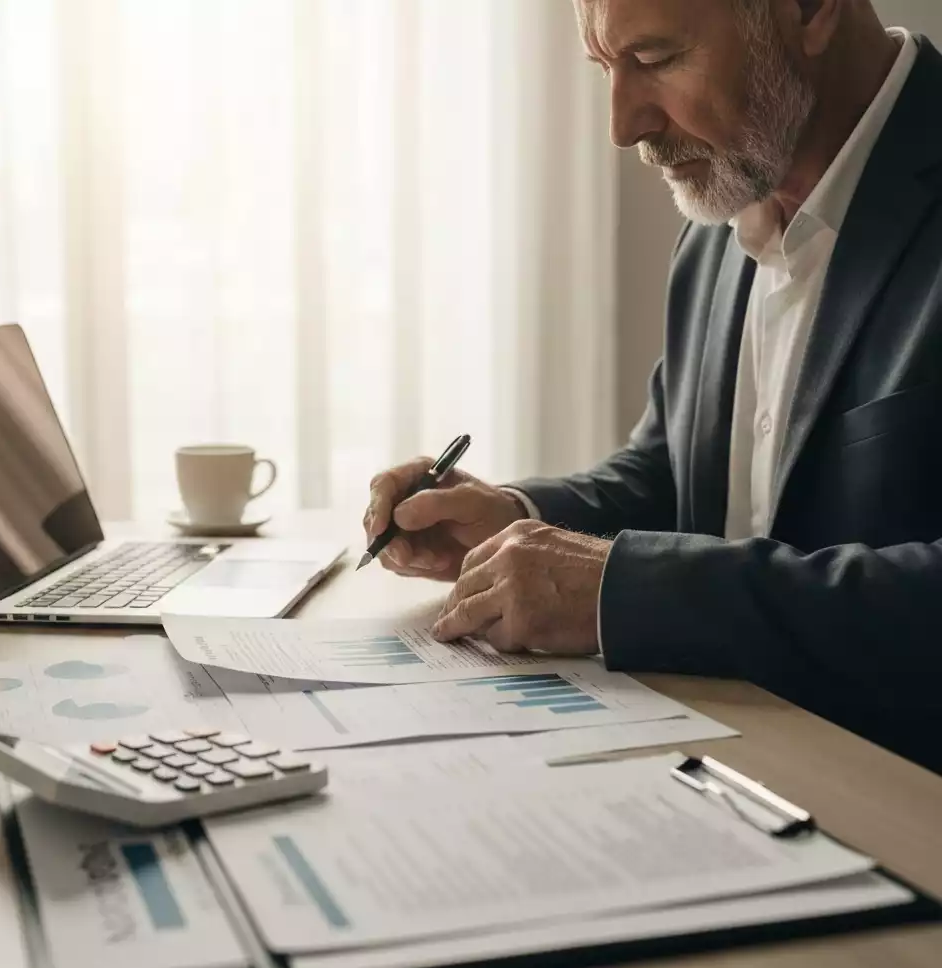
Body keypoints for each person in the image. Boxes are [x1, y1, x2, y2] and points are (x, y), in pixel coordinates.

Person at [364, 0, 942, 774]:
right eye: (606, 67)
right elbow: (674, 472)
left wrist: (631, 591)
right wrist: (514, 521)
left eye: (658, 60)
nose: (623, 125)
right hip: (733, 766)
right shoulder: (723, 215)